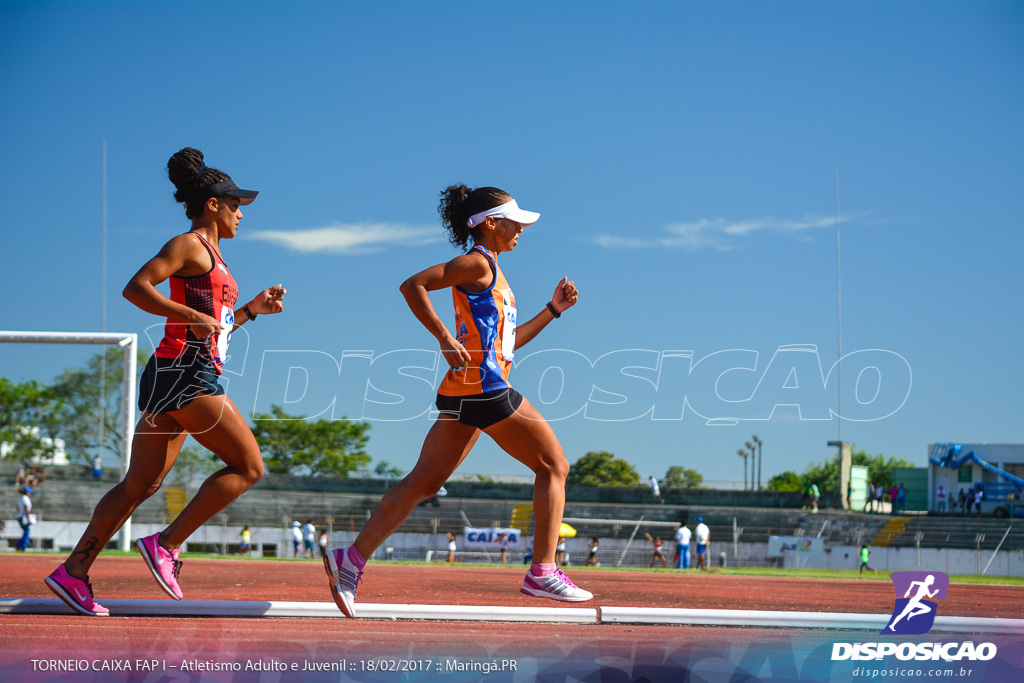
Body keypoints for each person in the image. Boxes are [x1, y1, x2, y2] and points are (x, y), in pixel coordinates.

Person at [323, 185, 591, 617]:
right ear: (490, 223)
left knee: (423, 483)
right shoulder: (476, 263)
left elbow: (507, 344)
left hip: (465, 390)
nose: (522, 229)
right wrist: (444, 337)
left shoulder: (496, 275)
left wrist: (553, 310)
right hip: (485, 389)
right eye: (515, 221)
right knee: (553, 466)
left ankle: (348, 560)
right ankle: (542, 571)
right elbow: (413, 285)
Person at [44, 147, 285, 618]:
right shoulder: (190, 244)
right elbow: (136, 288)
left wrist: (251, 311)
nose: (241, 214)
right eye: (235, 205)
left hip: (175, 372)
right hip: (185, 374)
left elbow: (211, 328)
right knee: (249, 468)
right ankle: (166, 544)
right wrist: (189, 313)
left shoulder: (213, 257)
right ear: (213, 204)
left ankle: (73, 572)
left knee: (141, 484)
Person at [16, 486, 33, 552]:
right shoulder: (26, 499)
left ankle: (19, 545)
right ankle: (22, 547)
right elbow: (26, 509)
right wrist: (29, 519)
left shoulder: (20, 499)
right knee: (27, 532)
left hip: (20, 516)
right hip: (24, 518)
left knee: (25, 532)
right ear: (27, 492)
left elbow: (17, 508)